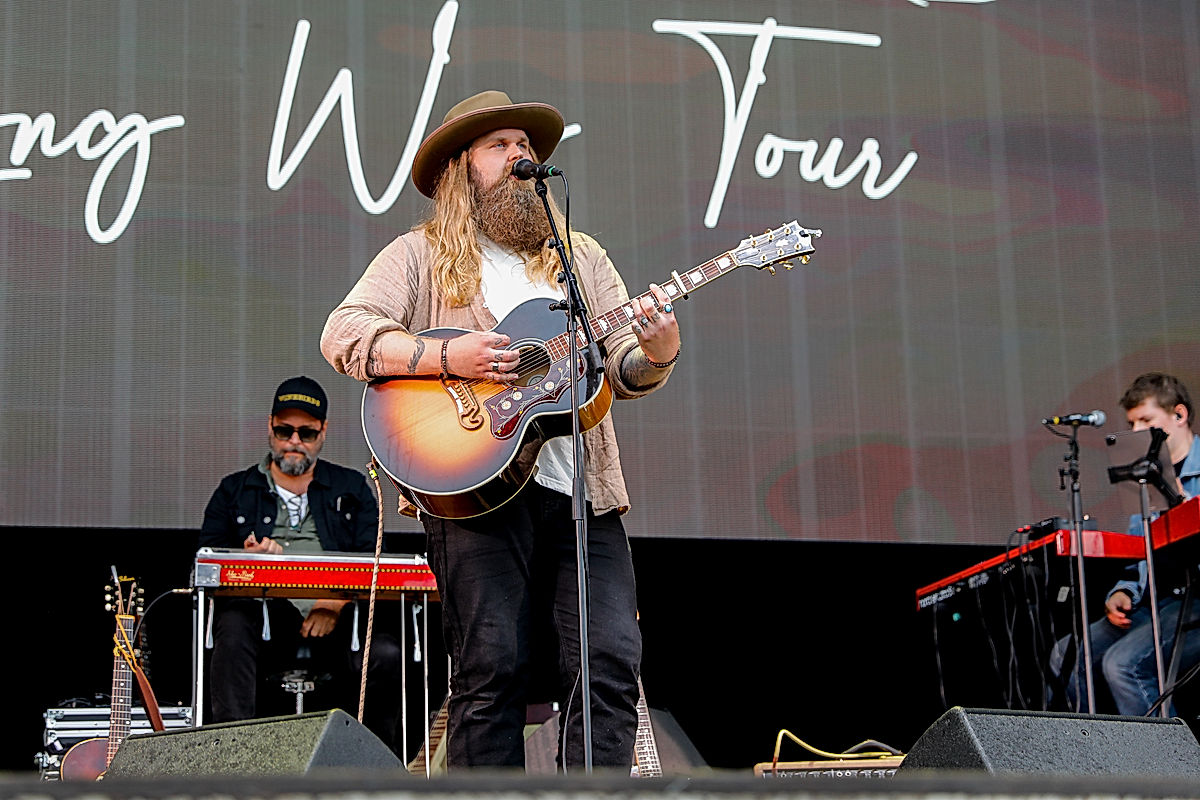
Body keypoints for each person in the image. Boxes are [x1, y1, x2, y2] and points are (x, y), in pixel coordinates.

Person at [320, 90, 680, 769]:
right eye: (501, 145)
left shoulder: (581, 258)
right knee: (491, 669)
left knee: (609, 664)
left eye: (527, 145)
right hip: (473, 487)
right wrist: (448, 355)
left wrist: (656, 351)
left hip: (583, 492)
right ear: (464, 168)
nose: (522, 154)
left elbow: (621, 368)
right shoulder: (420, 255)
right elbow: (344, 333)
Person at [199, 376, 402, 746]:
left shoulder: (352, 488)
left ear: (323, 432)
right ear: (270, 429)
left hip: (340, 622)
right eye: (284, 430)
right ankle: (230, 756)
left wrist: (336, 601)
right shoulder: (234, 490)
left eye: (306, 433)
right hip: (266, 618)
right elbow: (204, 564)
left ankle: (377, 769)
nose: (294, 441)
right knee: (232, 624)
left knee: (386, 652)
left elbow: (374, 560)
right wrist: (248, 564)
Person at [1054, 372, 1200, 715]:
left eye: (1145, 420)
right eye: (1131, 423)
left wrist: (1184, 510)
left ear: (1179, 415)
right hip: (1155, 603)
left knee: (1123, 665)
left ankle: (1165, 766)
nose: (1136, 432)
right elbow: (1139, 553)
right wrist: (1122, 591)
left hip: (1194, 601)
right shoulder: (1146, 473)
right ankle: (1095, 756)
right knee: (1066, 655)